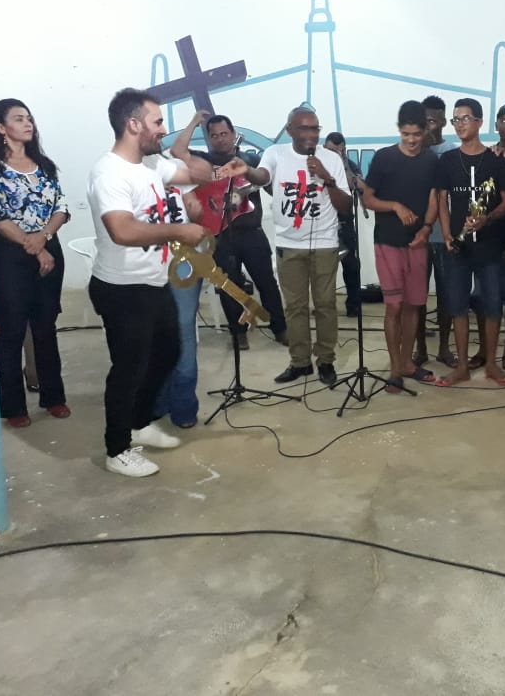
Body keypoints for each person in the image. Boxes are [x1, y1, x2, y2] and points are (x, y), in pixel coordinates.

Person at [87, 88, 234, 477]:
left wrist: (188, 159)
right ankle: (116, 449)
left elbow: (196, 174)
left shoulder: (153, 163)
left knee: (167, 353)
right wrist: (179, 230)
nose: (163, 130)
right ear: (133, 125)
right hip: (122, 288)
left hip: (153, 283)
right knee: (128, 368)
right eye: (156, 123)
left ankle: (138, 423)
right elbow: (121, 229)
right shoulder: (110, 173)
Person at [0, 99, 70, 428]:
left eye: (29, 118)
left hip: (47, 246)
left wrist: (43, 238)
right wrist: (34, 246)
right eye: (19, 119)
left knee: (46, 326)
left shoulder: (43, 164)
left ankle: (53, 396)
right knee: (12, 329)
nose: (28, 124)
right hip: (9, 254)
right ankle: (13, 406)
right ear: (0, 128)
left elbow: (61, 207)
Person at [245, 107, 352, 385]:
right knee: (295, 307)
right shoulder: (276, 154)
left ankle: (326, 360)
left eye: (315, 129)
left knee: (326, 305)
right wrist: (244, 168)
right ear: (290, 129)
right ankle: (300, 362)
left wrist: (326, 177)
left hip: (325, 243)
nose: (310, 135)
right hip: (288, 244)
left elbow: (346, 206)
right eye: (304, 129)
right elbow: (261, 177)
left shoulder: (331, 159)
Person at [169, 111, 287, 349]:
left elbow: (268, 186)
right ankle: (238, 332)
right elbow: (176, 151)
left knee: (266, 282)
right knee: (228, 286)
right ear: (209, 139)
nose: (221, 139)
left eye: (225, 134)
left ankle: (280, 329)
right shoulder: (203, 160)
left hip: (252, 232)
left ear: (233, 134)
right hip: (220, 234)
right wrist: (193, 122)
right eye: (215, 135)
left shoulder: (249, 160)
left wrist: (252, 175)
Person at [435, 98, 505, 388]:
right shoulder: (447, 160)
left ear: (479, 122)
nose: (459, 124)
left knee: (492, 304)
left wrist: (487, 218)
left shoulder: (495, 160)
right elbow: (441, 199)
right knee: (457, 305)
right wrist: (446, 233)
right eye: (455, 119)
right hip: (457, 247)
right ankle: (462, 366)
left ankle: (492, 363)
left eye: (465, 118)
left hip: (489, 246)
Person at [361, 101, 440, 391]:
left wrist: (427, 228)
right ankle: (394, 367)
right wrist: (394, 205)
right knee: (393, 305)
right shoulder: (383, 158)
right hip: (388, 242)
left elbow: (435, 199)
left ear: (425, 130)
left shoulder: (432, 160)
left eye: (416, 134)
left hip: (417, 243)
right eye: (405, 134)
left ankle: (407, 362)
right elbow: (368, 198)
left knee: (413, 306)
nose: (410, 140)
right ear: (399, 130)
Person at [468, 103, 505, 372]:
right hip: (489, 234)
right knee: (483, 296)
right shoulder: (486, 154)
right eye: (503, 120)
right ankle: (484, 347)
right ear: (495, 124)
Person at [415, 95, 459, 368]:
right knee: (418, 295)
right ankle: (420, 349)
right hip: (419, 234)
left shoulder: (452, 151)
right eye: (424, 120)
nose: (428, 125)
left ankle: (444, 347)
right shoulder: (413, 151)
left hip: (445, 236)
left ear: (443, 121)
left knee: (447, 295)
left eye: (432, 120)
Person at [323, 132, 364, 318]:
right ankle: (324, 305)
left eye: (336, 151)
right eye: (329, 151)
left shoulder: (350, 165)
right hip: (323, 223)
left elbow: (360, 188)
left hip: (345, 222)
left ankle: (354, 305)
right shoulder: (316, 166)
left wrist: (342, 162)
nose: (331, 155)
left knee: (351, 266)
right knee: (322, 270)